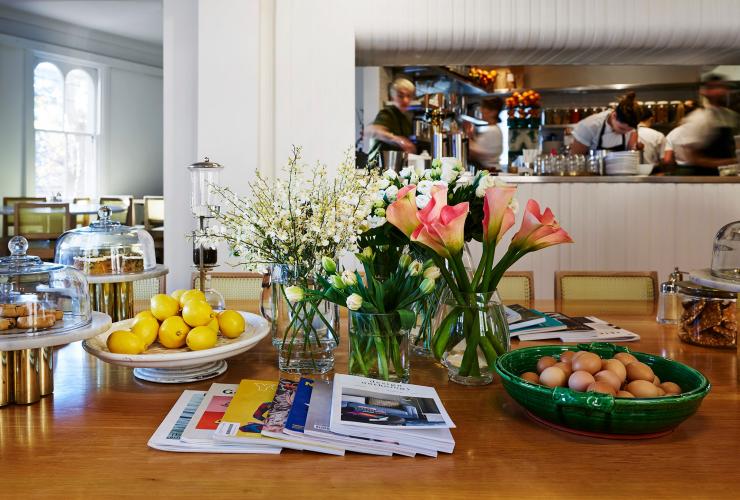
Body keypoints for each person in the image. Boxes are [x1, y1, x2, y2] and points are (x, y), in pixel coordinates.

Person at [678, 74, 739, 175]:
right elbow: (692, 157)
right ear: (705, 92)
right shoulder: (697, 118)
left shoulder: (731, 116)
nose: (721, 91)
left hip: (729, 175)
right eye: (715, 88)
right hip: (706, 178)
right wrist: (728, 163)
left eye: (723, 87)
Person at [570, 92, 642, 155]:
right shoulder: (589, 126)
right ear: (614, 115)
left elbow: (631, 154)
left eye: (628, 130)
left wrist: (637, 148)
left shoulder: (632, 126)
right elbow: (576, 158)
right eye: (621, 128)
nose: (625, 133)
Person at [367, 78, 416, 166]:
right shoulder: (387, 113)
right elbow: (372, 130)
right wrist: (398, 140)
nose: (405, 100)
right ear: (393, 96)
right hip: (378, 170)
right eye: (401, 96)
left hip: (395, 169)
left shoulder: (406, 120)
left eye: (408, 96)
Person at [466, 97, 504, 172]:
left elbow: (476, 151)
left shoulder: (492, 131)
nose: (481, 110)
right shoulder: (493, 129)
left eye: (484, 108)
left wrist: (466, 137)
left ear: (493, 112)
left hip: (490, 171)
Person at [662, 100, 699, 167]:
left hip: (682, 171)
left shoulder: (673, 133)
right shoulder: (704, 130)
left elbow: (667, 160)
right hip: (704, 171)